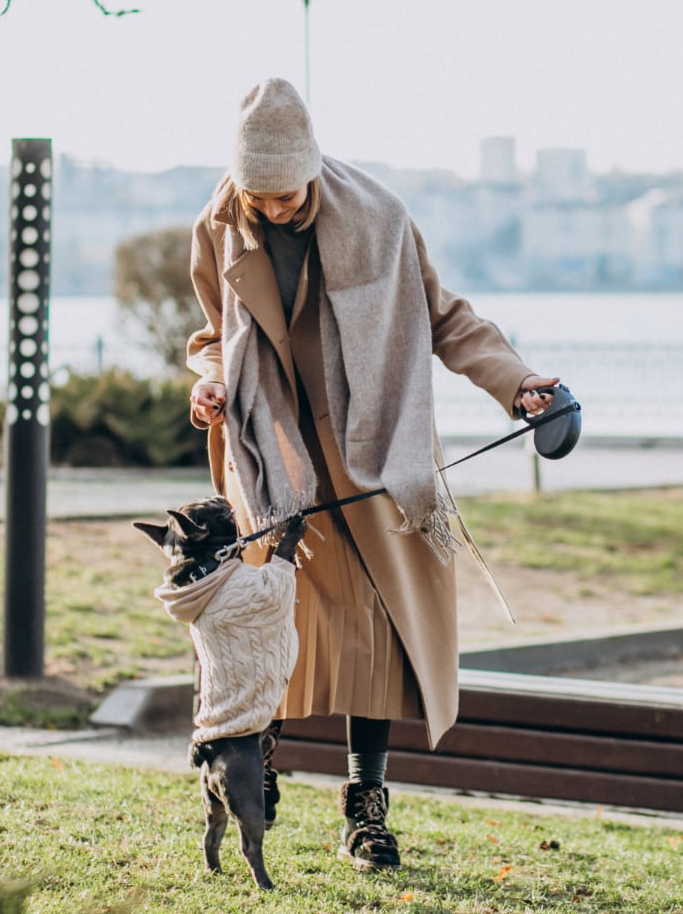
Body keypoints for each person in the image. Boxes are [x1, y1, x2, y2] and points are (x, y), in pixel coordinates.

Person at [185, 77, 558, 873]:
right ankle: (263, 765)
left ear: (312, 171)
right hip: (271, 451)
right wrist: (210, 381)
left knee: (378, 637)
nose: (276, 209)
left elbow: (444, 316)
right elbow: (212, 333)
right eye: (261, 196)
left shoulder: (379, 217)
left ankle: (367, 807)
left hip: (374, 455)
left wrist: (516, 382)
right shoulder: (219, 224)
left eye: (287, 195)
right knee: (269, 618)